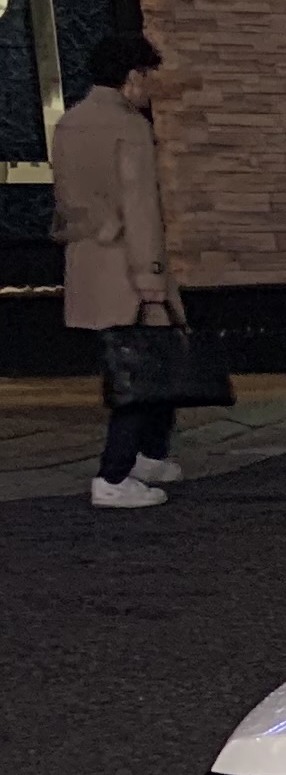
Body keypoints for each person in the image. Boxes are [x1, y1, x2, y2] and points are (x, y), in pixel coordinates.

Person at [48, 32, 182, 511]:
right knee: (143, 373)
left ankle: (147, 457)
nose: (150, 86)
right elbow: (140, 207)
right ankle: (115, 474)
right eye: (148, 76)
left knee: (136, 367)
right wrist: (152, 278)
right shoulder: (129, 127)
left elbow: (65, 202)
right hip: (128, 265)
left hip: (89, 264)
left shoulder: (70, 123)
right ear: (132, 76)